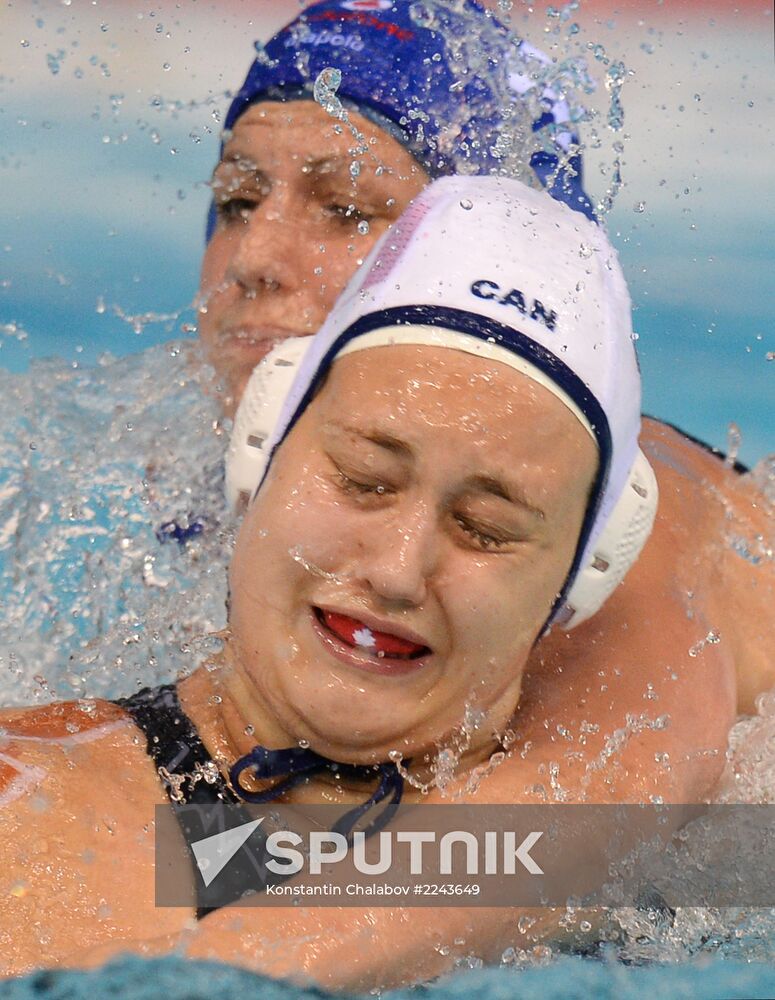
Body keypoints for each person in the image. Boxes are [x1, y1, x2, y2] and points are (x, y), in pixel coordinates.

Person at [1, 177, 771, 991]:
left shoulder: (689, 863)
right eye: (363, 480)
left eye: (486, 529)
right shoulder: (39, 811)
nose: (399, 569)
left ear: (579, 581)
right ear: (258, 457)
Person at [0, 0, 590, 702]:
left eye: (344, 210)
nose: (251, 258)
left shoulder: (608, 526)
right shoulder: (130, 469)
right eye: (240, 201)